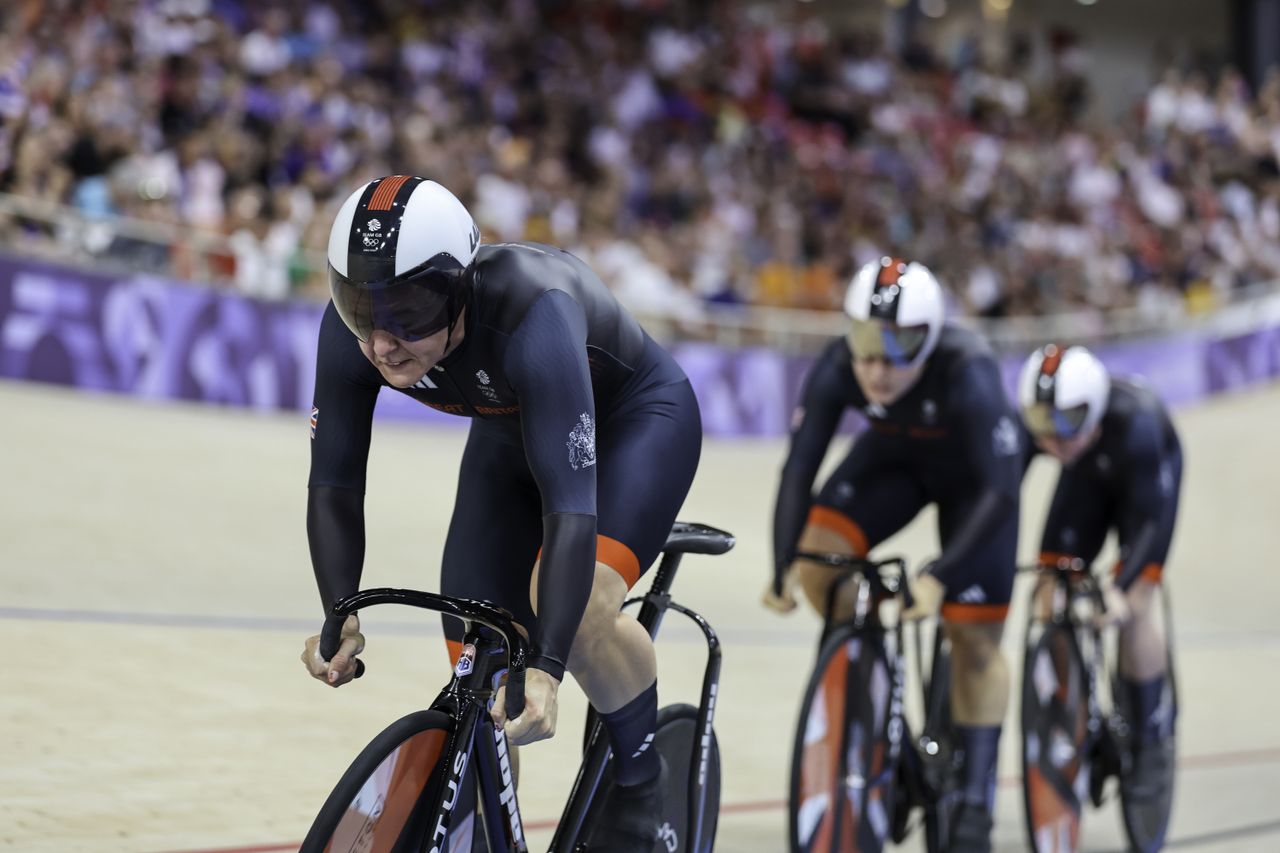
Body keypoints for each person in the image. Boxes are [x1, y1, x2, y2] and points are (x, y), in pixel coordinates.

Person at [299, 175, 702, 851]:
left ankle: (641, 782)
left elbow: (570, 511)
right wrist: (339, 608)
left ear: (461, 286)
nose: (384, 341)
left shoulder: (531, 308)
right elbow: (334, 481)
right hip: (512, 429)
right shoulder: (357, 330)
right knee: (475, 651)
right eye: (363, 309)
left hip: (635, 423)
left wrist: (545, 666)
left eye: (411, 311)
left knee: (573, 617)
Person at [765, 256, 1024, 853]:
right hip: (894, 464)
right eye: (864, 344)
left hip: (974, 486)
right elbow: (799, 466)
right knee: (818, 563)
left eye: (899, 347)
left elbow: (1001, 490)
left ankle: (974, 803)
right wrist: (782, 565)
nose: (878, 368)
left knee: (975, 641)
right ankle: (871, 668)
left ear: (931, 338)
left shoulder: (969, 369)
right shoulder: (838, 365)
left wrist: (941, 576)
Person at [1017, 343, 1181, 804]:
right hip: (1086, 476)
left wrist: (1119, 585)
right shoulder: (1052, 427)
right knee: (1049, 588)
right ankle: (1068, 707)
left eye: (1067, 423)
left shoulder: (1137, 421)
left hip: (1147, 488)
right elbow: (1002, 492)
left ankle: (1150, 741)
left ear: (1094, 409)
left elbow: (1148, 521)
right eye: (1043, 427)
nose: (1054, 439)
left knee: (1132, 606)